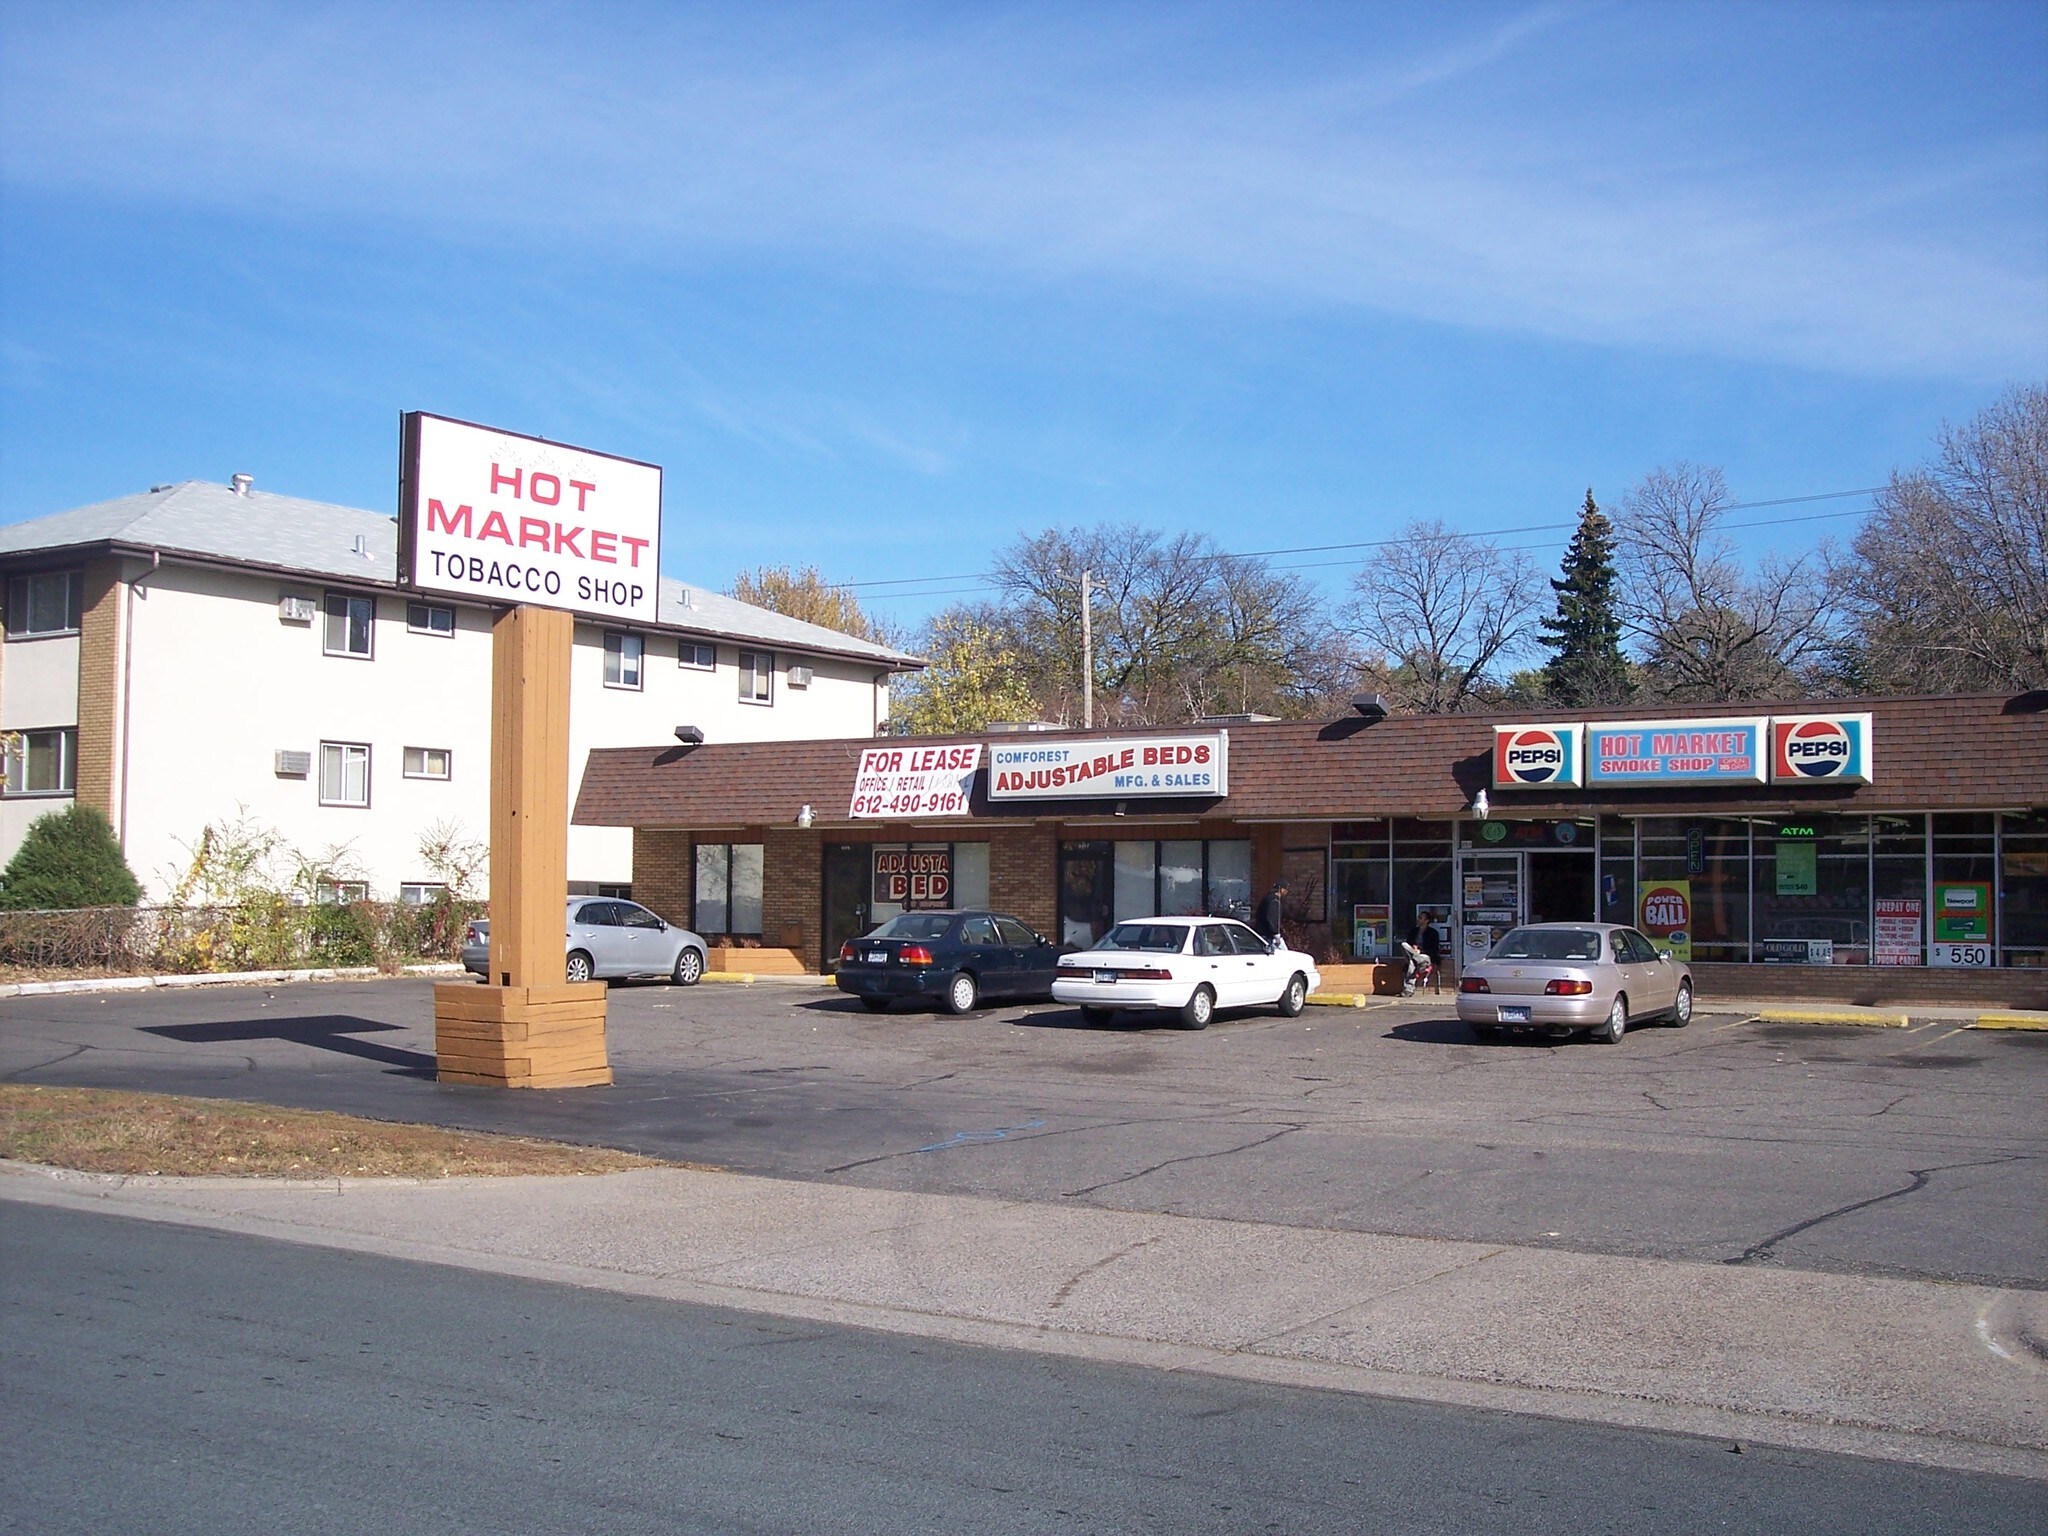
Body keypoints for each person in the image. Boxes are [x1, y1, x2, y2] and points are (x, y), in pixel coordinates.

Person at [1416, 911, 1444, 992]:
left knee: (1411, 963)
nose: (1418, 919)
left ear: (1426, 920)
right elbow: (1408, 942)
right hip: (1414, 953)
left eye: (1420, 918)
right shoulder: (1414, 931)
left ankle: (1408, 988)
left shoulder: (1433, 933)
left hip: (1426, 955)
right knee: (1404, 945)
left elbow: (1434, 948)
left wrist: (1421, 951)